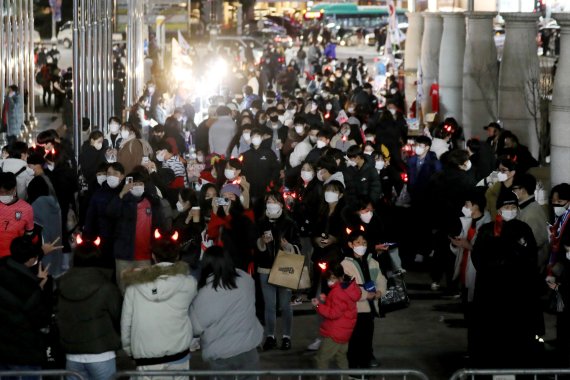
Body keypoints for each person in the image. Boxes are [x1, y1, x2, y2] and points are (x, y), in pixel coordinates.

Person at [471, 191, 543, 368]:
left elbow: (531, 257)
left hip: (518, 295)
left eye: (513, 207)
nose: (509, 210)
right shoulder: (488, 231)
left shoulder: (523, 229)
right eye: (506, 207)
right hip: (492, 293)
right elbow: (478, 258)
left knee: (518, 336)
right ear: (499, 210)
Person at [121, 233, 197, 376]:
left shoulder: (134, 287)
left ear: (154, 257)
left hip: (146, 358)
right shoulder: (189, 283)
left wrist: (130, 351)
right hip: (179, 355)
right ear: (177, 257)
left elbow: (126, 323)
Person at [190, 246, 263, 376]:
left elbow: (195, 328)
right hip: (249, 349)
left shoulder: (203, 295)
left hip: (221, 356)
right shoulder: (246, 281)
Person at [56, 236, 122, 380]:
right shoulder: (106, 287)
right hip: (102, 353)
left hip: (72, 354)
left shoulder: (61, 284)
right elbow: (118, 315)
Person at [256, 191, 301, 351]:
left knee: (285, 305)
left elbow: (298, 246)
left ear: (281, 204)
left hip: (284, 267)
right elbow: (256, 247)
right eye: (268, 201)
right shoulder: (261, 222)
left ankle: (287, 337)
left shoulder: (289, 223)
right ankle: (270, 336)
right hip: (265, 268)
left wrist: (288, 246)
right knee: (269, 305)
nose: (271, 203)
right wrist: (261, 242)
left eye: (274, 201)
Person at [0, 236, 53, 373]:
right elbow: (42, 318)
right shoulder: (30, 289)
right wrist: (41, 287)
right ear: (30, 259)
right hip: (24, 353)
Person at [106, 169, 165, 291]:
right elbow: (110, 213)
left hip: (145, 256)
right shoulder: (122, 200)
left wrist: (157, 249)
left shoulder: (151, 201)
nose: (137, 186)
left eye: (140, 184)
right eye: (134, 183)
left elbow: (159, 225)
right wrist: (122, 193)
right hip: (124, 255)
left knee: (145, 289)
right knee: (123, 289)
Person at [341, 231, 387, 369]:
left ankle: (366, 364)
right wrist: (364, 295)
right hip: (354, 309)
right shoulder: (345, 264)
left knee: (367, 337)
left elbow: (381, 278)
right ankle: (353, 369)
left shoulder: (372, 261)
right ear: (351, 244)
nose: (362, 245)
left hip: (370, 308)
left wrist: (380, 291)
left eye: (364, 243)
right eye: (358, 243)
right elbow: (347, 287)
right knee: (354, 340)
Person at [312, 263, 361, 370]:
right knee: (341, 358)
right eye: (329, 278)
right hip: (344, 332)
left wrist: (318, 305)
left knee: (321, 359)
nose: (330, 280)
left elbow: (333, 313)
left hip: (334, 333)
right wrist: (327, 300)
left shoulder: (337, 292)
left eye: (333, 278)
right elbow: (341, 307)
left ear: (340, 277)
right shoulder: (347, 289)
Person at [512, 174, 549, 272]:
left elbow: (534, 243)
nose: (513, 192)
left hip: (533, 265)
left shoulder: (530, 213)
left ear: (523, 190)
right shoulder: (529, 207)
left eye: (514, 189)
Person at [0, 172, 34, 258]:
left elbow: (29, 232)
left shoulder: (26, 208)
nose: (3, 195)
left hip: (14, 257)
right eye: (0, 192)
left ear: (14, 189)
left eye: (7, 192)